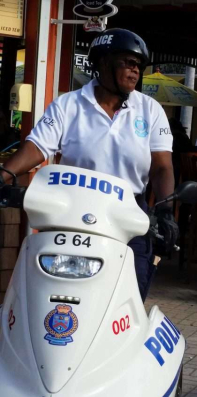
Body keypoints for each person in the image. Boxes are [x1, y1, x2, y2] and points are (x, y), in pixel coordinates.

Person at [0, 28, 178, 301]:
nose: (134, 71)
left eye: (138, 66)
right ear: (103, 63)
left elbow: (162, 166)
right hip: (72, 211)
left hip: (129, 213)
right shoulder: (67, 105)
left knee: (128, 296)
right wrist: (4, 174)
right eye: (127, 63)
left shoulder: (150, 110)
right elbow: (37, 146)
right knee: (58, 294)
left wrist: (165, 209)